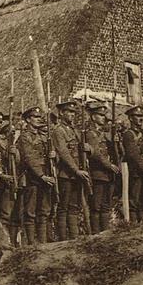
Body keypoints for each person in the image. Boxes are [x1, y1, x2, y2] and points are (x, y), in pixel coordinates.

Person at [52, 100, 91, 240]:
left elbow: (82, 149)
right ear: (61, 113)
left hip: (77, 174)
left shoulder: (75, 130)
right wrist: (76, 170)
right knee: (63, 207)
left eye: (74, 112)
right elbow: (63, 153)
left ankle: (74, 239)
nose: (72, 115)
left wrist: (89, 149)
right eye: (69, 112)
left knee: (74, 207)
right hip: (66, 174)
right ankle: (63, 240)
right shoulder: (58, 131)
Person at [17, 106, 55, 245]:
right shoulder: (24, 137)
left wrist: (53, 155)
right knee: (30, 212)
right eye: (36, 117)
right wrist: (41, 175)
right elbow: (28, 158)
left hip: (45, 176)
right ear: (28, 119)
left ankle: (43, 243)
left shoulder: (42, 136)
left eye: (40, 117)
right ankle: (31, 243)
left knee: (44, 210)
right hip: (32, 178)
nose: (39, 120)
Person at [85, 101, 120, 232]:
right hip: (98, 173)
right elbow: (96, 154)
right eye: (100, 115)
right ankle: (95, 233)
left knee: (106, 205)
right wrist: (109, 165)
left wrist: (117, 142)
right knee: (96, 205)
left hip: (109, 174)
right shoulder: (90, 133)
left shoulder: (107, 134)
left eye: (104, 115)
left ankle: (105, 233)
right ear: (93, 117)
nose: (103, 118)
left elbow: (116, 152)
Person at [122, 104, 143, 223]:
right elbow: (133, 154)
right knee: (134, 200)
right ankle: (134, 227)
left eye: (141, 116)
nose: (140, 118)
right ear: (131, 118)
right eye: (137, 116)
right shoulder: (128, 134)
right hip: (135, 171)